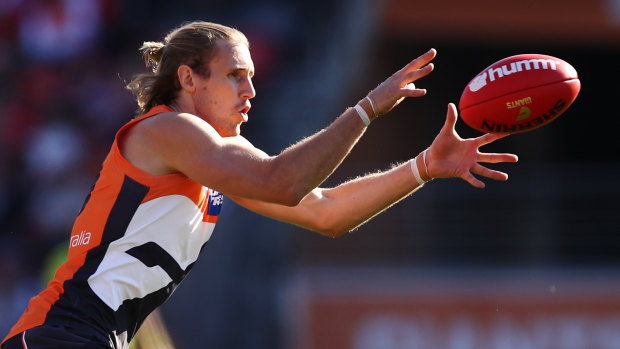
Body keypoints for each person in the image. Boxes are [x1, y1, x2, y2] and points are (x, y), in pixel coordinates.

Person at [1, 21, 518, 349]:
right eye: (234, 75)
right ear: (188, 79)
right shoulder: (170, 129)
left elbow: (326, 213)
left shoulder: (214, 158)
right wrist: (366, 109)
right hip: (61, 335)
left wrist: (424, 166)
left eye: (251, 76)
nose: (251, 89)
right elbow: (283, 182)